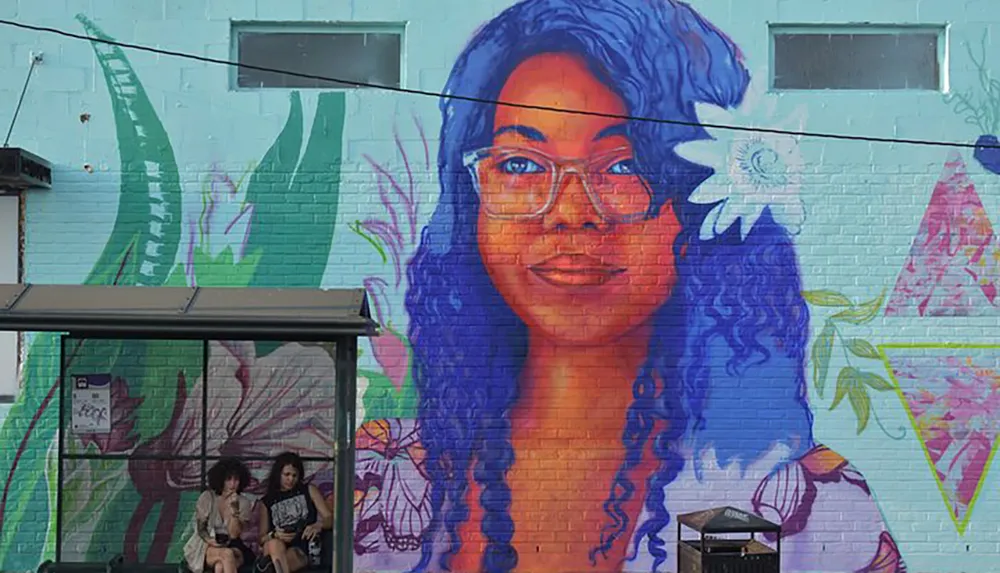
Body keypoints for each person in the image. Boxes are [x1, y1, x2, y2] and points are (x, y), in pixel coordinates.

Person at [395, 0, 905, 572]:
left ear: (704, 204)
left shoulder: (788, 498)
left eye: (624, 165)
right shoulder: (382, 477)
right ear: (470, 202)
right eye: (519, 164)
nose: (569, 212)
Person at [257, 452, 333, 573]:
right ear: (278, 474)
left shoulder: (309, 490)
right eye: (286, 475)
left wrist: (318, 525)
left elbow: (329, 518)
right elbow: (261, 538)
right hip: (276, 544)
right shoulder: (267, 501)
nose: (291, 479)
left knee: (278, 564)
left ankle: (268, 568)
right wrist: (275, 535)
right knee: (274, 544)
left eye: (294, 475)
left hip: (300, 546)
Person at [182, 458, 255, 573]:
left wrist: (234, 510)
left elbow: (234, 534)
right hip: (206, 543)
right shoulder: (207, 497)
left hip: (233, 544)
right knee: (227, 554)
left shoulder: (244, 502)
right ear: (221, 480)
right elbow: (201, 528)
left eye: (236, 480)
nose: (233, 484)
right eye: (228, 479)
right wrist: (210, 540)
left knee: (220, 566)